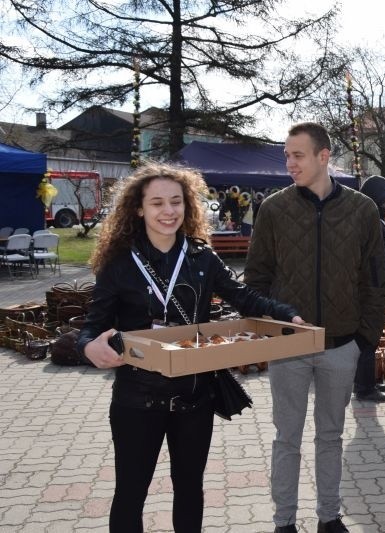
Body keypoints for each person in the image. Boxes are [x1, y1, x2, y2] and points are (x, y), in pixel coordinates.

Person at [77, 163, 304, 533]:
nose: (168, 211)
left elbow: (243, 297)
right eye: (157, 203)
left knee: (190, 490)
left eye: (176, 202)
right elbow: (91, 328)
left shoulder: (201, 258)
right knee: (130, 493)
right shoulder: (120, 263)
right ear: (139, 208)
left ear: (187, 206)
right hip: (137, 401)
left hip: (193, 398)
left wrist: (286, 314)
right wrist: (89, 348)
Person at [244, 122, 385, 533]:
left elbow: (377, 282)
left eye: (298, 155)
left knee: (331, 436)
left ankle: (329, 517)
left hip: (342, 346)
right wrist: (272, 328)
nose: (289, 162)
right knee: (286, 438)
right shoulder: (273, 209)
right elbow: (255, 279)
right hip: (287, 347)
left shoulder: (362, 210)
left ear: (323, 156)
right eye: (286, 155)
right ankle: (284, 522)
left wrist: (362, 340)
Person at [353, 175, 385, 403]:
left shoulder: (372, 220)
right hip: (369, 292)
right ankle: (364, 387)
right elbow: (377, 258)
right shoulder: (368, 222)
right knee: (367, 339)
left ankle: (367, 381)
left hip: (375, 290)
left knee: (370, 338)